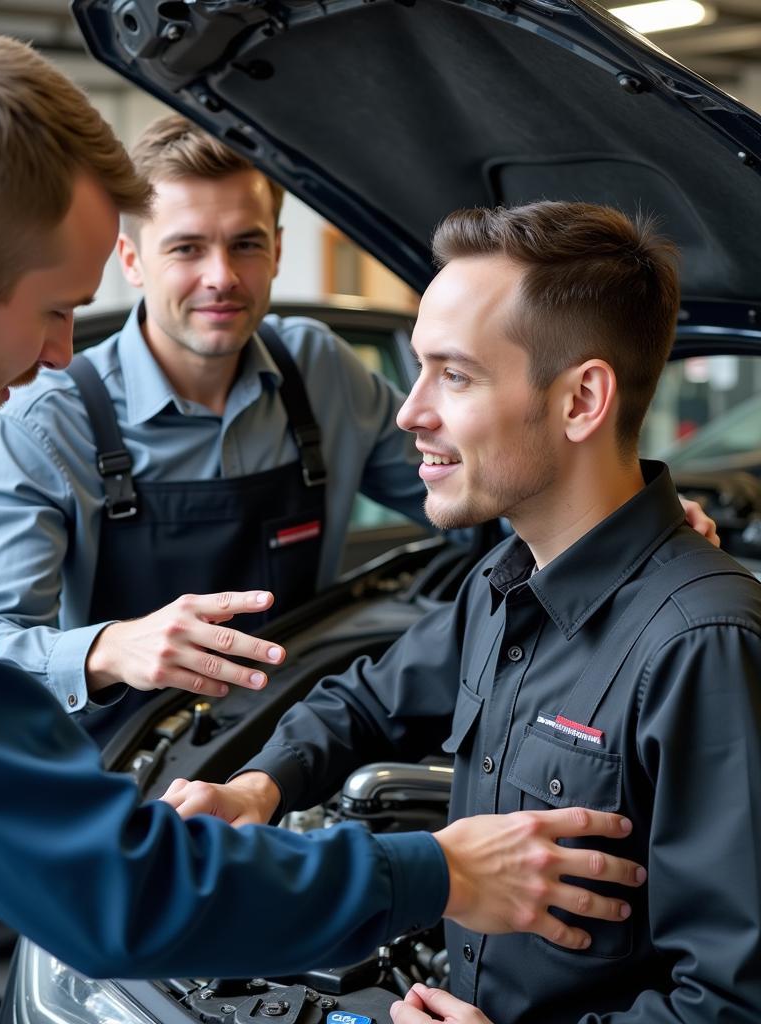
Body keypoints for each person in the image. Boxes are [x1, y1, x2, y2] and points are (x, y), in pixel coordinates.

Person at [0, 36, 650, 1024]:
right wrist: (435, 871)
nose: (55, 355)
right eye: (58, 311)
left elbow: (465, 499)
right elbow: (105, 888)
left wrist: (614, 519)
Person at [161, 202, 761, 1022]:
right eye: (418, 369)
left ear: (583, 399)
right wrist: (261, 786)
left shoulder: (704, 646)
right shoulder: (501, 583)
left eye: (456, 374)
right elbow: (367, 699)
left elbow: (732, 1003)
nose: (409, 412)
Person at [0, 115, 715, 746]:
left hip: (285, 742)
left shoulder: (315, 370)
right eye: (187, 248)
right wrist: (108, 647)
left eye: (247, 243)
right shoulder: (45, 420)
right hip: (119, 771)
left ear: (278, 251)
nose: (221, 275)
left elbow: (470, 495)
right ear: (131, 259)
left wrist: (613, 529)